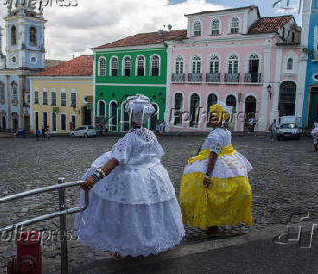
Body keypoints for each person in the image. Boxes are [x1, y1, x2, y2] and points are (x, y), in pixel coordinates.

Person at [74, 94, 184, 259]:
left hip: (131, 182)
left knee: (125, 214)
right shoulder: (150, 135)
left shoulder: (129, 138)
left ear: (130, 116)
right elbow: (156, 155)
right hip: (152, 178)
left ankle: (123, 247)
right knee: (148, 212)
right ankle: (149, 241)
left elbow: (114, 161)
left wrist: (95, 178)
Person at [179, 102, 253, 236]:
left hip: (215, 166)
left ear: (219, 119)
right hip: (229, 164)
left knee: (207, 195)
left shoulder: (215, 135)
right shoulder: (226, 131)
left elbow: (213, 156)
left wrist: (207, 176)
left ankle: (212, 226)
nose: (209, 119)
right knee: (218, 195)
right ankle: (216, 223)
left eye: (212, 117)